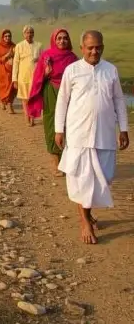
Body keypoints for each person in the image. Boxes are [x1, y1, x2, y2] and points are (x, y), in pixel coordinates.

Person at [55, 30, 129, 244]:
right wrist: (59, 129)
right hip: (79, 135)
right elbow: (62, 101)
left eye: (98, 47)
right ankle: (85, 220)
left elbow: (119, 101)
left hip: (104, 135)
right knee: (82, 180)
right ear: (82, 48)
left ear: (103, 47)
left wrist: (123, 129)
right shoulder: (72, 70)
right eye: (90, 47)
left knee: (103, 179)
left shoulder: (111, 70)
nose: (94, 51)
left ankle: (87, 212)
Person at [27, 29, 79, 176]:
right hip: (52, 92)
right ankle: (56, 163)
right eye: (59, 38)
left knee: (70, 126)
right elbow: (37, 77)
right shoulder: (47, 55)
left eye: (65, 38)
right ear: (54, 41)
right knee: (52, 125)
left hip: (70, 95)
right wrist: (46, 73)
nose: (62, 41)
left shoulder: (73, 58)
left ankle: (67, 161)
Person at [12, 25, 43, 126]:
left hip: (36, 77)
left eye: (31, 32)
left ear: (33, 34)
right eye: (27, 32)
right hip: (23, 77)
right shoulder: (19, 46)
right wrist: (14, 79)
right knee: (25, 99)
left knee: (33, 98)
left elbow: (43, 60)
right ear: (24, 34)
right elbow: (16, 63)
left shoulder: (39, 45)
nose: (29, 34)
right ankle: (27, 117)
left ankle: (32, 117)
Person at [0, 29, 17, 113]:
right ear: (2, 37)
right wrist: (5, 57)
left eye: (9, 36)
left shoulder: (14, 46)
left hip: (12, 71)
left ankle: (10, 105)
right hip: (2, 72)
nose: (7, 38)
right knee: (2, 87)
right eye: (5, 36)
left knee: (12, 89)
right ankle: (2, 101)